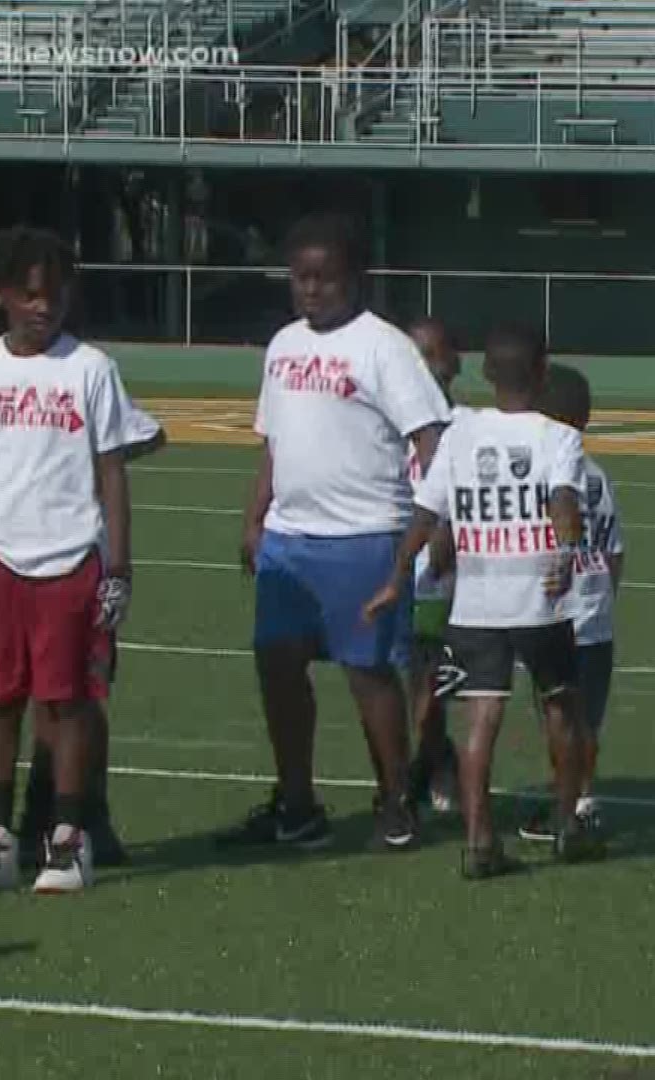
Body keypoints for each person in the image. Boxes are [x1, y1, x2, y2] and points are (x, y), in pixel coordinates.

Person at [218, 211, 452, 852]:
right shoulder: (284, 345)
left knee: (368, 674)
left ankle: (394, 800)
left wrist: (430, 528)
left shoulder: (384, 346)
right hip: (289, 541)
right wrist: (253, 516)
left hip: (366, 538)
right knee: (278, 666)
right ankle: (296, 804)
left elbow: (430, 440)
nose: (311, 289)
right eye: (301, 278)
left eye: (325, 277)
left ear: (355, 279)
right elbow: (274, 442)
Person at [0, 224, 134, 894]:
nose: (42, 307)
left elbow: (112, 472)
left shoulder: (91, 369)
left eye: (53, 294)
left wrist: (120, 568)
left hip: (70, 554)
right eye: (28, 295)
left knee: (68, 701)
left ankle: (68, 841)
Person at [364, 323, 593, 878]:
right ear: (541, 373)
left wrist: (397, 576)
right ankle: (567, 826)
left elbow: (426, 515)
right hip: (540, 602)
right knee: (561, 707)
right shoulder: (558, 436)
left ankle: (479, 841)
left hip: (476, 605)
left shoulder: (458, 436)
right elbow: (563, 503)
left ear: (487, 374)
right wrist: (563, 556)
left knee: (480, 720)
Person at [17, 397, 168, 869]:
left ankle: (84, 817)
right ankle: (42, 817)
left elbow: (149, 434)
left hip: (79, 554)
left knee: (75, 693)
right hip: (15, 549)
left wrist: (85, 467)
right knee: (32, 692)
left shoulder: (84, 373)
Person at [519, 364, 621, 849]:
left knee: (557, 711)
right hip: (595, 612)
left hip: (556, 613)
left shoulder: (547, 470)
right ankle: (585, 797)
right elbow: (615, 551)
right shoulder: (599, 476)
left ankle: (570, 802)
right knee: (587, 716)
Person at [403, 315, 466, 815]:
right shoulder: (387, 422)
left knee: (431, 679)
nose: (422, 366)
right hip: (393, 569)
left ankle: (425, 771)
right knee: (412, 680)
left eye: (431, 355)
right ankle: (433, 762)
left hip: (442, 576)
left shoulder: (467, 425)